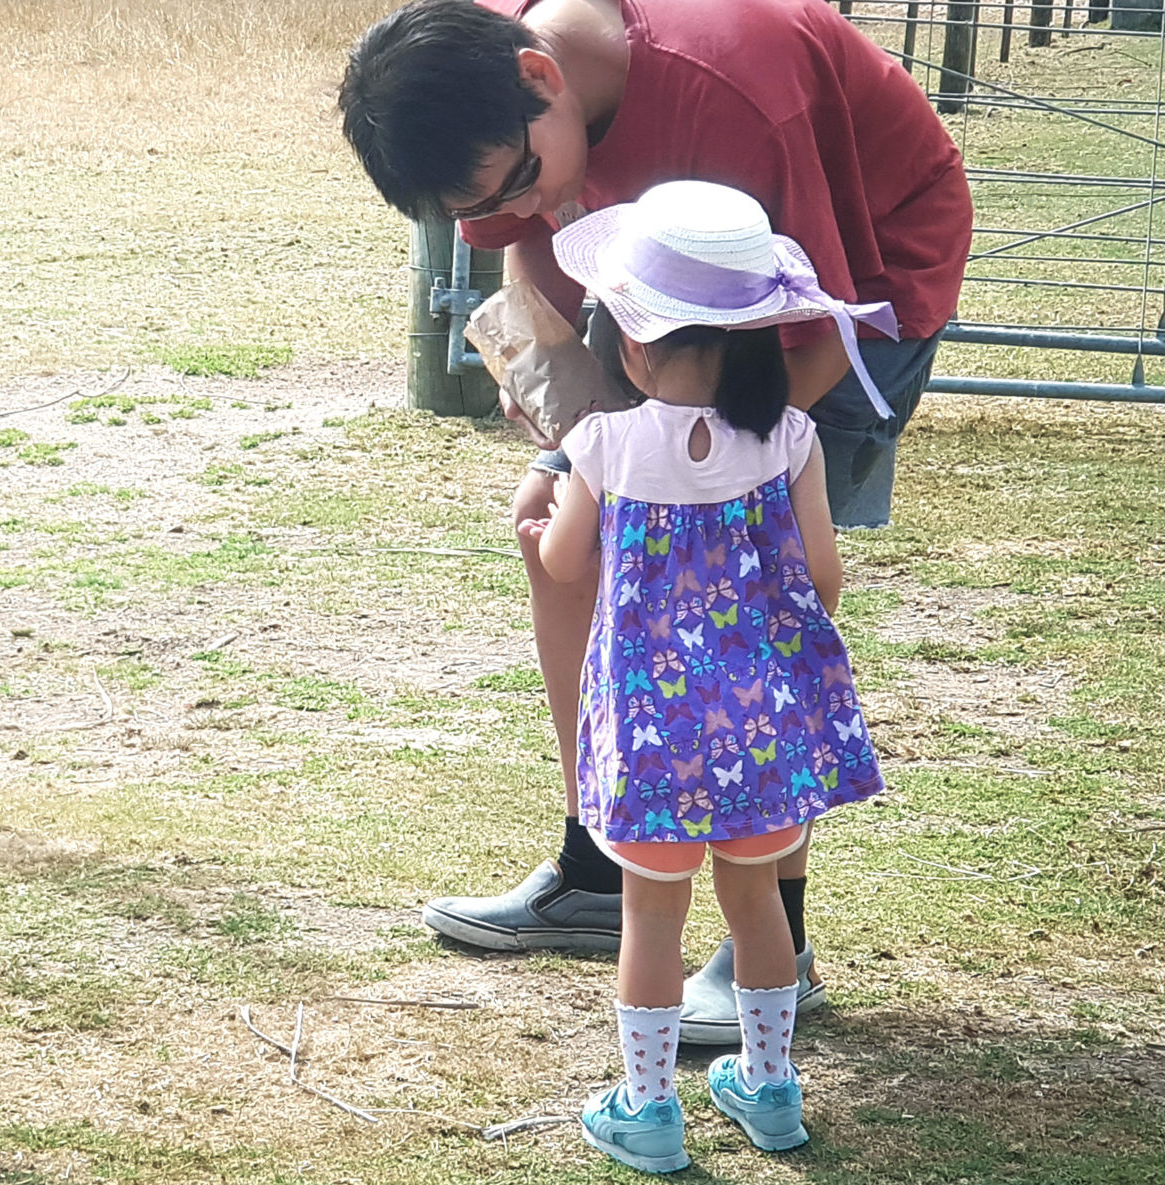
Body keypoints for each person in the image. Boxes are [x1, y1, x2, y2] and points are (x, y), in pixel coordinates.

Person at [335, 0, 967, 1042]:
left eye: (517, 183)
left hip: (840, 267)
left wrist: (705, 469)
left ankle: (779, 939)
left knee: (752, 595)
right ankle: (600, 862)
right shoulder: (486, 75)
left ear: (543, 82)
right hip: (654, 265)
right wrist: (566, 435)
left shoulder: (734, 91)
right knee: (557, 548)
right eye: (482, 201)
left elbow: (807, 326)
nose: (521, 209)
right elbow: (525, 248)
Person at [526, 179, 887, 1172]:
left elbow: (563, 565)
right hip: (761, 727)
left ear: (631, 345)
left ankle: (647, 1108)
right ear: (759, 339)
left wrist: (542, 518)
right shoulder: (790, 441)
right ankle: (769, 1088)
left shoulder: (602, 444)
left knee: (651, 914)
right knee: (757, 900)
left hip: (651, 735)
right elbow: (822, 576)